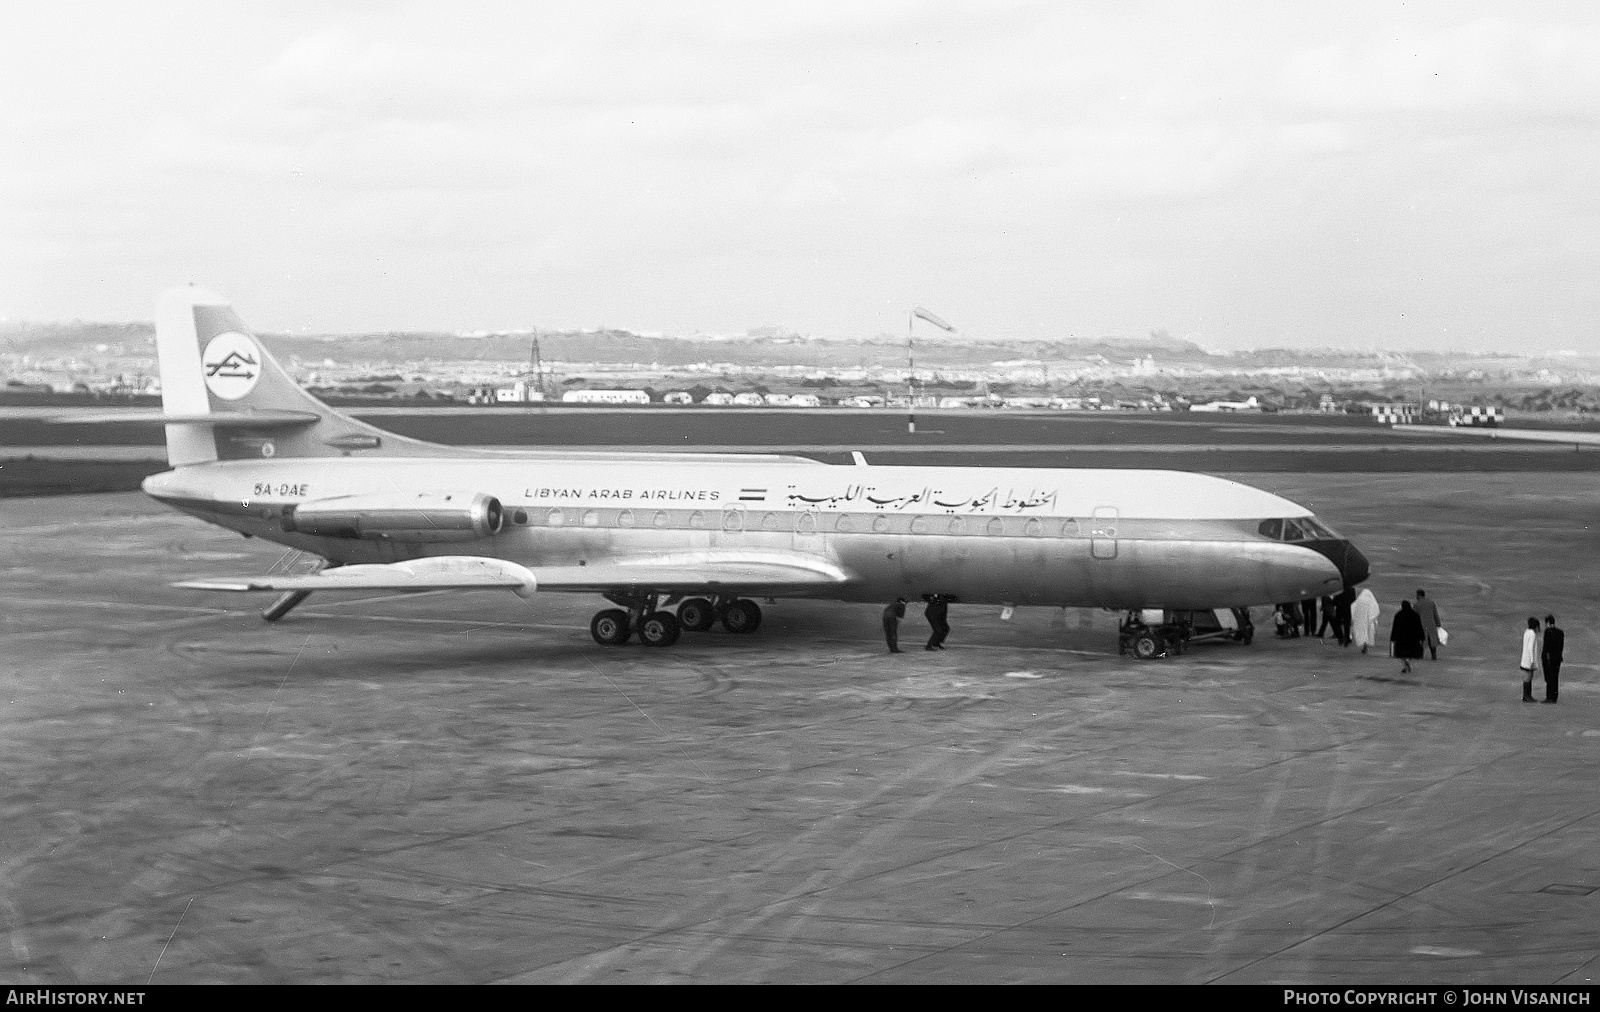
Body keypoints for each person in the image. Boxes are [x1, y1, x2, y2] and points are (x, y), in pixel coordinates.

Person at [1390, 599, 1425, 674]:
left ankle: (1405, 664)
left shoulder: (1398, 615)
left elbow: (1395, 627)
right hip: (1412, 639)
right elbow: (1419, 627)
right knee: (1411, 653)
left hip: (1401, 639)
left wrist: (1393, 637)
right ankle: (1407, 662)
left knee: (1401, 654)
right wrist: (1422, 637)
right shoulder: (1415, 615)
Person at [1414, 589, 1444, 660]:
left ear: (1418, 595)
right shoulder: (1431, 602)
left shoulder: (1417, 604)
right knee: (1432, 641)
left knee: (1421, 640)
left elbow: (1415, 616)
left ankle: (1420, 655)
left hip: (1421, 625)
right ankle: (1433, 655)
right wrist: (1438, 623)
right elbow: (1435, 614)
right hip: (1431, 624)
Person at [1542, 614, 1564, 703]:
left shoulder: (1548, 632)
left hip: (1550, 658)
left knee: (1549, 678)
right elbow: (1561, 646)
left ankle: (1549, 697)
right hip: (1557, 658)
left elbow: (1546, 646)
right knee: (1555, 677)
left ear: (1547, 623)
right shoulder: (1560, 632)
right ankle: (1554, 696)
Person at [1351, 588, 1380, 653]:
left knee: (1362, 632)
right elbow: (1375, 610)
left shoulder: (1359, 600)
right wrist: (1373, 618)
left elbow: (1353, 608)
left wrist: (1353, 618)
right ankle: (1366, 645)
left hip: (1360, 621)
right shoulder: (1371, 601)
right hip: (1368, 621)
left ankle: (1364, 644)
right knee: (1368, 632)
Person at [1519, 617, 1539, 702]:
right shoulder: (1532, 634)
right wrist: (1532, 661)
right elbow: (1531, 648)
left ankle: (1526, 695)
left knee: (1527, 677)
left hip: (1525, 658)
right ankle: (1527, 695)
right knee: (1529, 677)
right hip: (1529, 660)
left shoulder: (1527, 632)